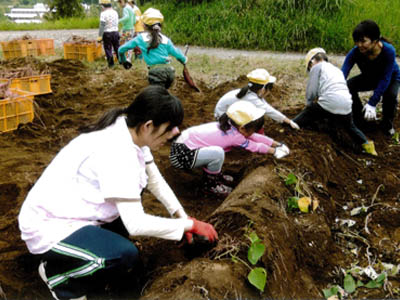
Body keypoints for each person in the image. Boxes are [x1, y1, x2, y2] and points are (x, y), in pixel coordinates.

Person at [18, 85, 218, 300]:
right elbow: (136, 224)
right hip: (49, 223)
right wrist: (190, 225)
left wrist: (182, 216)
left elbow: (155, 181)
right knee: (122, 255)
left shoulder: (131, 133)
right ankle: (58, 277)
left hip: (79, 209)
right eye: (169, 129)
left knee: (132, 200)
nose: (174, 134)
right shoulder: (117, 152)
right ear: (148, 126)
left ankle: (85, 255)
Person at [170, 100, 290, 197]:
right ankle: (210, 185)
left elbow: (254, 137)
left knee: (215, 153)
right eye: (252, 130)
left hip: (184, 146)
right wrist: (274, 151)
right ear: (243, 128)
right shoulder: (235, 137)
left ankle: (215, 175)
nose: (253, 133)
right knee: (218, 154)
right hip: (181, 156)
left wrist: (276, 144)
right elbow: (255, 146)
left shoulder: (231, 124)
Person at [293, 48, 377, 155]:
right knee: (350, 126)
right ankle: (368, 146)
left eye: (309, 66)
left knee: (309, 112)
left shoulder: (317, 67)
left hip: (330, 102)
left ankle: (290, 125)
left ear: (312, 61)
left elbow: (312, 91)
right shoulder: (337, 70)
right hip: (346, 104)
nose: (310, 69)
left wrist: (309, 106)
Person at [341, 19, 400, 136]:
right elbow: (343, 73)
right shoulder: (355, 52)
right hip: (370, 77)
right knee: (347, 86)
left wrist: (373, 103)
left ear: (375, 40)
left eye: (363, 41)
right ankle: (359, 118)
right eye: (356, 41)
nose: (359, 45)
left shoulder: (389, 51)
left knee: (391, 96)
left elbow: (386, 78)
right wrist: (333, 87)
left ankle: (387, 124)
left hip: (391, 78)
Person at [118, 7, 187, 89]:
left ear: (144, 25)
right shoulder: (165, 39)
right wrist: (184, 60)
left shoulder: (141, 38)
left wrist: (123, 60)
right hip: (170, 73)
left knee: (157, 96)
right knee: (164, 92)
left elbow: (121, 50)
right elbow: (177, 54)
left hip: (156, 74)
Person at [214, 68, 300, 132]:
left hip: (226, 115)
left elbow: (266, 106)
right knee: (257, 118)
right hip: (223, 119)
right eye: (269, 88)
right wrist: (289, 122)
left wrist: (285, 120)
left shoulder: (251, 93)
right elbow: (269, 111)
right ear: (263, 89)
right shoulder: (250, 98)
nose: (269, 91)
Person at [97, 0, 120, 68]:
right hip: (115, 32)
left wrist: (100, 36)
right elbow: (116, 23)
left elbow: (102, 25)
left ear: (103, 5)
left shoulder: (103, 13)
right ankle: (121, 61)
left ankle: (111, 64)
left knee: (108, 49)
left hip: (107, 33)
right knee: (117, 48)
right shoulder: (115, 12)